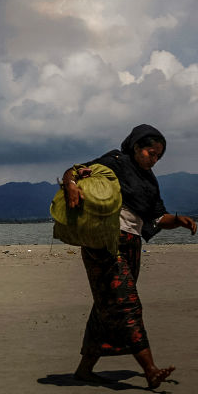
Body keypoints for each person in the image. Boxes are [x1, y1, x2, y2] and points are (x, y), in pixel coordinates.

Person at [62, 124, 196, 388]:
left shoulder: (149, 182)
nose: (153, 159)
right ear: (136, 146)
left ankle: (84, 370)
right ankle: (150, 370)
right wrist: (71, 185)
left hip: (131, 245)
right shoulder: (115, 162)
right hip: (105, 243)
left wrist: (178, 220)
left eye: (158, 156)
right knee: (126, 304)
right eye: (150, 152)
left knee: (107, 306)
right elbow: (75, 171)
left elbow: (157, 217)